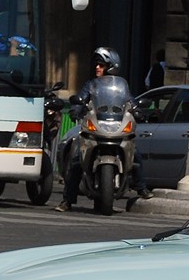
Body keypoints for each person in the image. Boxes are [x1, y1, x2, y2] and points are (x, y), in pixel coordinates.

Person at [55, 46, 154, 211]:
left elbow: (130, 101)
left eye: (101, 65)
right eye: (97, 64)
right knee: (77, 161)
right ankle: (67, 200)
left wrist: (137, 110)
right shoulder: (91, 85)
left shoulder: (122, 86)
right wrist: (76, 109)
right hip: (96, 127)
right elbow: (82, 98)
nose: (97, 67)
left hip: (116, 126)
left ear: (111, 66)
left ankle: (141, 188)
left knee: (135, 156)